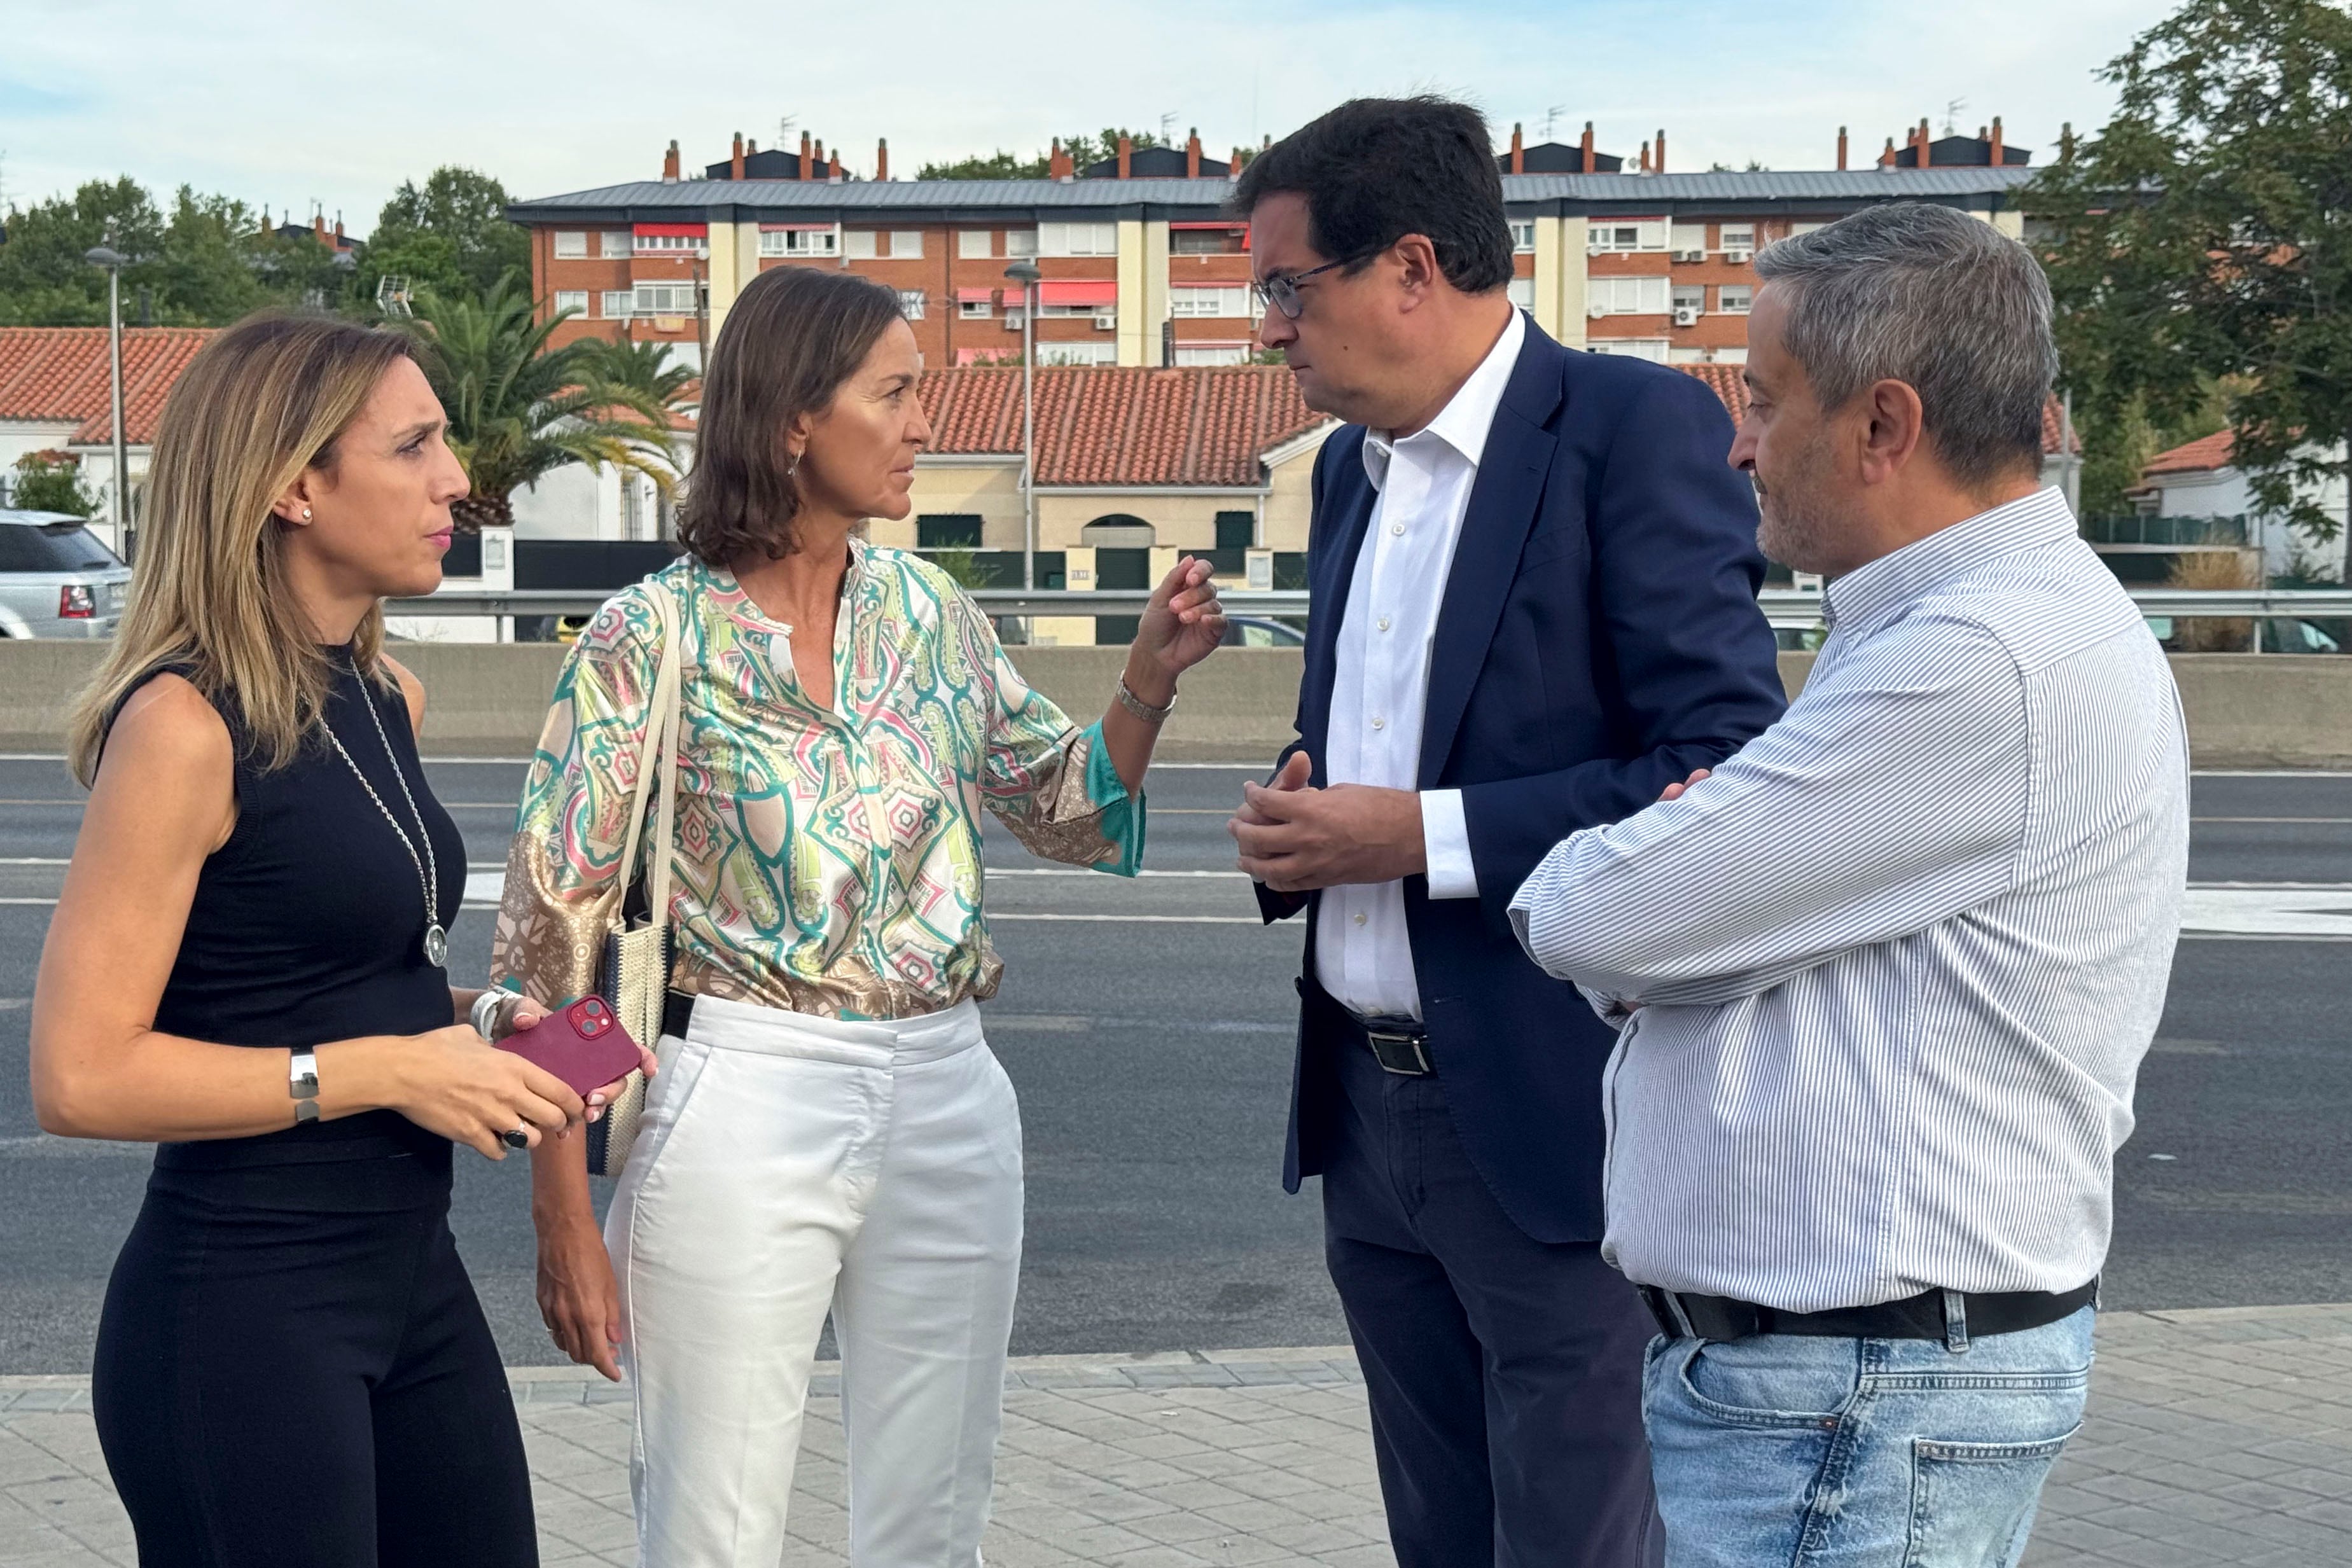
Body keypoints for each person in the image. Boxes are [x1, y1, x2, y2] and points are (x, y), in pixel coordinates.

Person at [493, 263, 1227, 1567]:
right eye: (893, 394)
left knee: (935, 1522)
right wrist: (561, 1215)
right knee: (712, 1528)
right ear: (792, 417)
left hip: (950, 1090)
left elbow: (1067, 809)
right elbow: (556, 939)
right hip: (739, 1089)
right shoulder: (647, 638)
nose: (922, 426)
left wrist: (1146, 682)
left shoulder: (929, 612)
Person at [1508, 203, 2188, 1567]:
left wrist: (1660, 893)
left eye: (1763, 402)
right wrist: (1693, 905)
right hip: (1853, 1386)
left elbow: (1588, 914)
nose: (1738, 445)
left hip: (1854, 1396)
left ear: (1883, 424)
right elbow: (1692, 921)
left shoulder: (1975, 661)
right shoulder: (1964, 628)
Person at [1223, 97, 1788, 1566]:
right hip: (1363, 1111)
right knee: (1439, 1540)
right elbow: (1383, 740)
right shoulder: (1346, 470)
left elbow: (1723, 768)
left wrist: (1416, 835)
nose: (1268, 329)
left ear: (1410, 267)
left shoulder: (1624, 429)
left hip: (1550, 1113)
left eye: (1286, 287)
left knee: (1573, 1543)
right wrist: (1304, 812)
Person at [31, 314, 644, 1567]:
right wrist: (389, 1069)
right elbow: (80, 1077)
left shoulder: (385, 694)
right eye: (414, 447)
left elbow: (319, 975)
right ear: (292, 486)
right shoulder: (183, 726)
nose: (456, 480)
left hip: (413, 1285)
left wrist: (478, 1025)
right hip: (240, 1314)